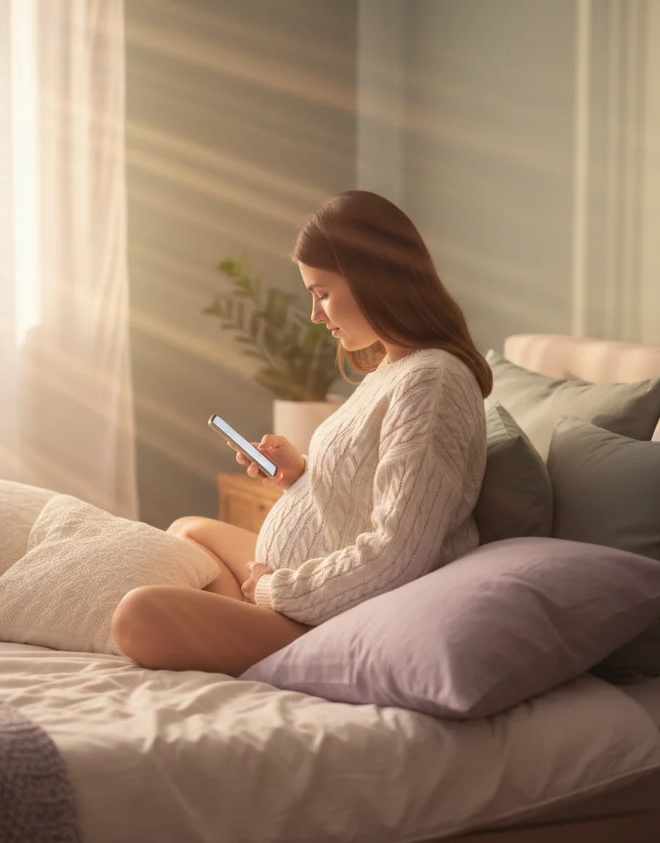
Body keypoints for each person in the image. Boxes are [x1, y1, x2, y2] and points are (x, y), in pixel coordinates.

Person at [111, 190, 493, 676]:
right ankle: (242, 623)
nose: (316, 316)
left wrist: (275, 588)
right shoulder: (394, 369)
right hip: (301, 587)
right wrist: (303, 475)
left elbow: (400, 554)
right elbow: (375, 488)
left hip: (333, 617)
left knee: (138, 615)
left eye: (322, 293)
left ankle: (257, 630)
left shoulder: (431, 382)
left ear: (373, 278)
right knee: (188, 531)